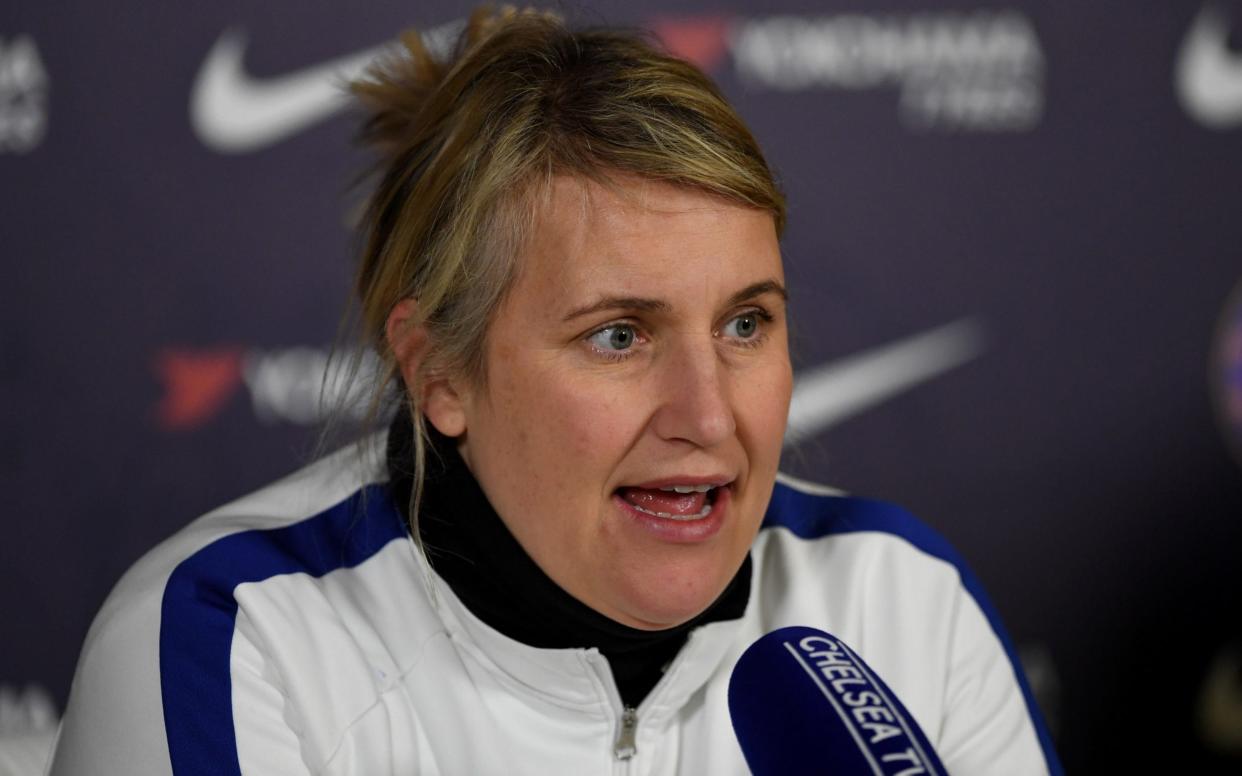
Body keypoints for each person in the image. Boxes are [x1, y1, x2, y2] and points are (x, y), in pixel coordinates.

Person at [48, 8, 1061, 774]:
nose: (709, 417)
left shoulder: (900, 600)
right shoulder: (236, 641)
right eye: (620, 334)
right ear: (438, 370)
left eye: (746, 322)